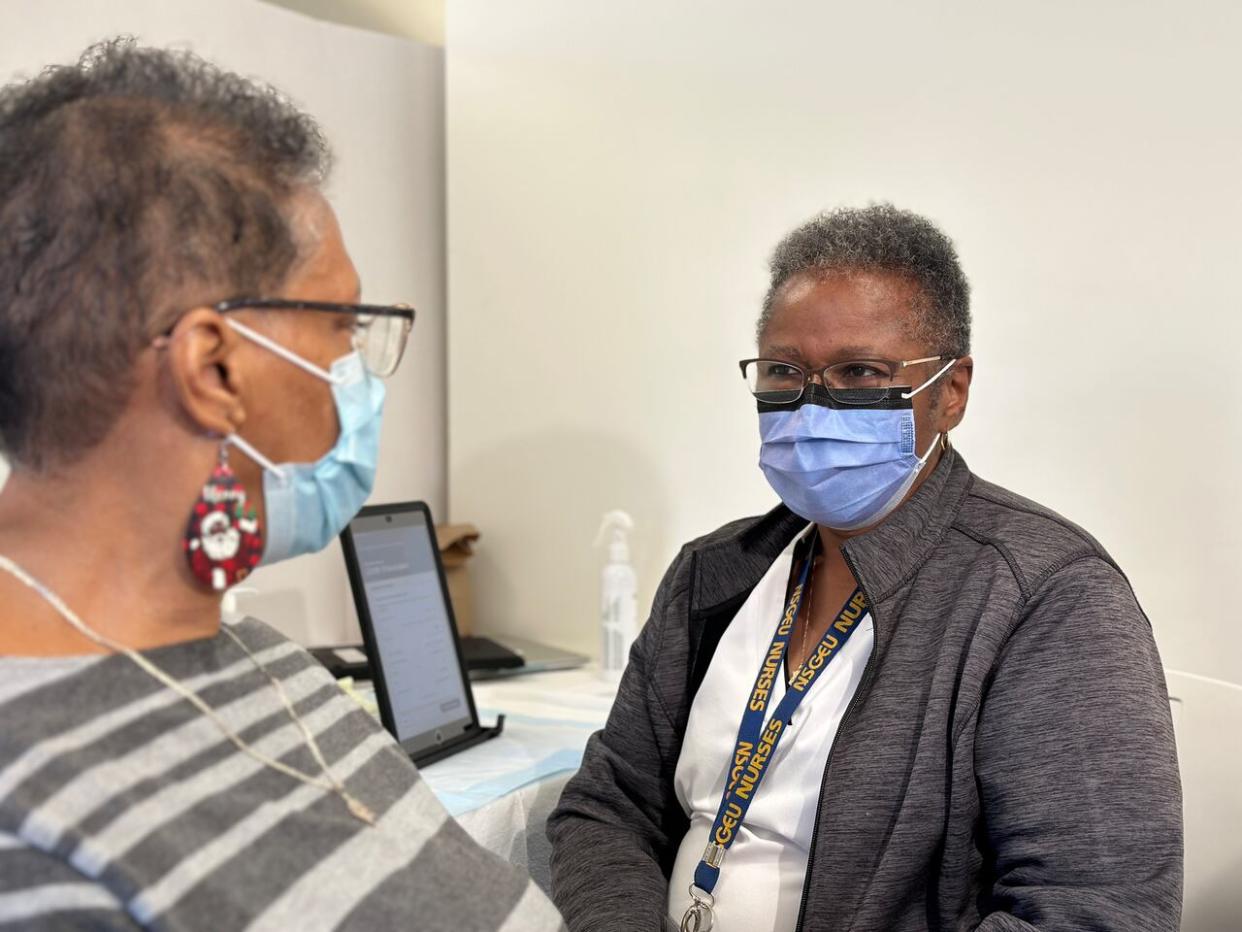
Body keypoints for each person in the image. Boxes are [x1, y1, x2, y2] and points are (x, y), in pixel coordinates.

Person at [0, 40, 563, 931]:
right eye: (341, 325)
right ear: (213, 371)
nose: (361, 370)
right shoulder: (24, 831)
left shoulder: (261, 661)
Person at [547, 204, 1182, 931]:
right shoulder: (715, 573)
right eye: (784, 371)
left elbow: (1094, 911)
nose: (812, 405)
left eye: (859, 372)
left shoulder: (1048, 597)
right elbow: (608, 804)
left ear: (951, 391)